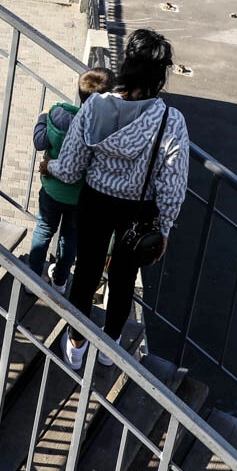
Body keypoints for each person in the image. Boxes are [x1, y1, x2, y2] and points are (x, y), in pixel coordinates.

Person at [50, 29, 190, 370]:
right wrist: (166, 229)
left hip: (95, 201)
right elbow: (173, 185)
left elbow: (69, 170)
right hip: (139, 210)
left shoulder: (95, 107)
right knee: (124, 278)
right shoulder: (170, 121)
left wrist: (48, 165)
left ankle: (76, 344)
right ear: (160, 77)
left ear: (126, 65)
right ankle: (111, 347)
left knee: (86, 271)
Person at [28, 67, 114, 289]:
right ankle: (60, 281)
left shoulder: (60, 115)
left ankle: (31, 278)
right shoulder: (105, 129)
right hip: (80, 198)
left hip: (52, 191)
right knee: (70, 239)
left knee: (44, 229)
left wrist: (43, 116)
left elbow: (40, 142)